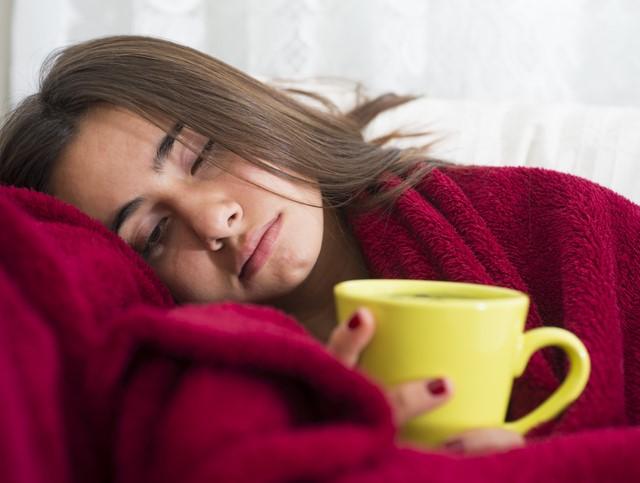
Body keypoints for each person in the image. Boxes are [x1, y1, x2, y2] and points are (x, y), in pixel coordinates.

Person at [0, 35, 525, 455]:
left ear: (245, 109)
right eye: (154, 234)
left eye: (202, 156)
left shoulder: (528, 214)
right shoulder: (202, 412)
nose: (216, 219)